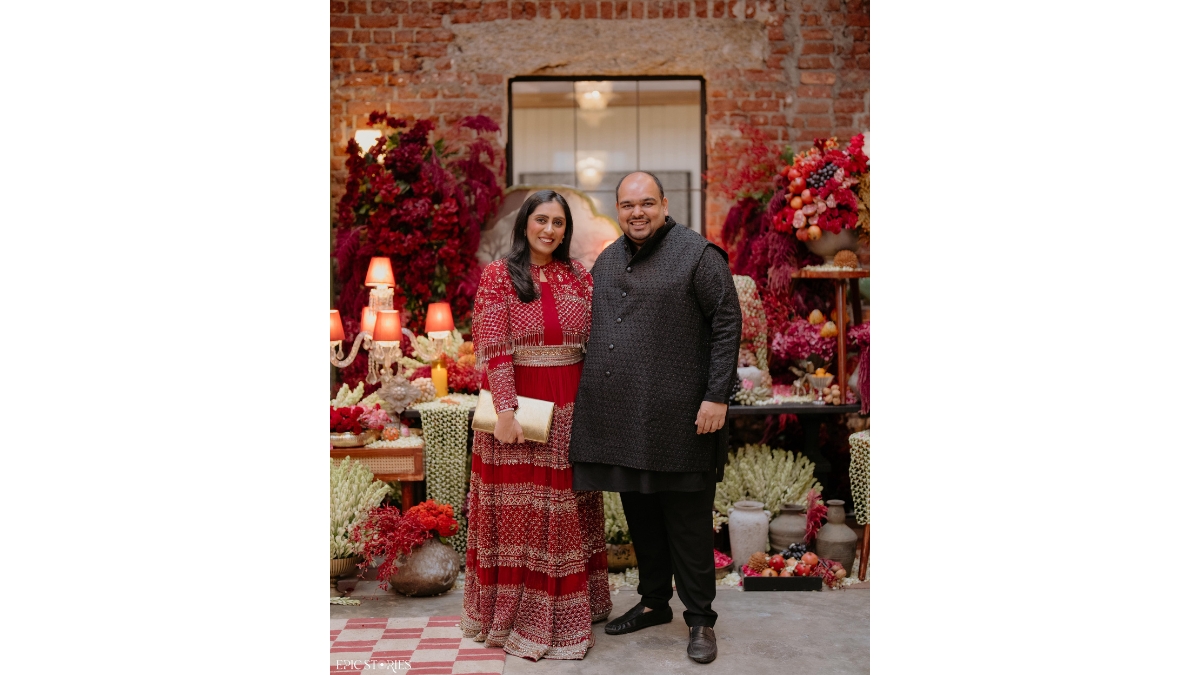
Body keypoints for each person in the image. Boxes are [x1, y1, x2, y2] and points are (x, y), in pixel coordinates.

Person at [569, 171, 741, 665]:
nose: (637, 213)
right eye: (628, 205)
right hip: (624, 419)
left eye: (647, 203)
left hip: (684, 420)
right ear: (618, 210)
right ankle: (653, 602)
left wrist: (717, 396)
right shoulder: (608, 259)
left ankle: (701, 619)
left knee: (687, 522)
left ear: (664, 204)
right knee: (641, 515)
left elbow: (727, 322)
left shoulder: (698, 255)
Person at [460, 190, 612, 661]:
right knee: (521, 514)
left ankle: (574, 610)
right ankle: (515, 615)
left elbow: (599, 340)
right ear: (525, 223)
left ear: (566, 231)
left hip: (571, 406)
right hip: (519, 407)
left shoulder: (579, 276)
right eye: (541, 220)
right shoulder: (500, 275)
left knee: (568, 505)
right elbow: (493, 345)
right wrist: (506, 411)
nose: (549, 230)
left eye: (558, 223)